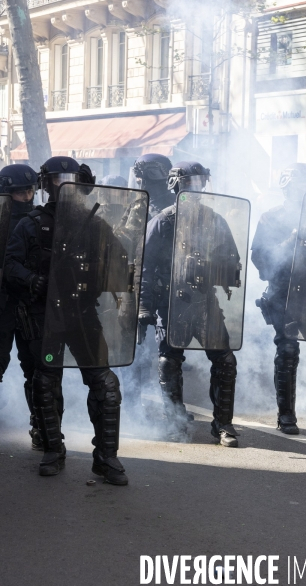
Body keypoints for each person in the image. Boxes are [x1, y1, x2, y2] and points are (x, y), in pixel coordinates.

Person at [5, 157, 129, 484]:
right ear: (46, 184)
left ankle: (106, 458)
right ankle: (52, 448)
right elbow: (11, 266)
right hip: (47, 319)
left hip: (84, 316)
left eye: (71, 178)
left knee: (106, 385)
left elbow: (118, 264)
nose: (65, 184)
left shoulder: (94, 223)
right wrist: (34, 281)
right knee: (45, 382)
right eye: (59, 179)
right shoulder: (31, 224)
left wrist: (114, 278)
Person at [139, 160, 240, 447]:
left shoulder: (215, 220)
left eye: (200, 184)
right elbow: (145, 267)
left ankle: (223, 424)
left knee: (225, 361)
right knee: (169, 362)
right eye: (189, 184)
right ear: (176, 186)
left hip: (206, 301)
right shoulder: (163, 222)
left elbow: (233, 264)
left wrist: (215, 269)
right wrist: (144, 306)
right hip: (172, 303)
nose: (196, 190)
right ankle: (175, 422)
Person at [252, 163, 306, 441]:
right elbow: (261, 260)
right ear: (288, 185)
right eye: (303, 184)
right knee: (289, 351)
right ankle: (286, 415)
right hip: (284, 296)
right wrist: (290, 241)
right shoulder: (272, 218)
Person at [121, 155, 174, 419]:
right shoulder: (136, 203)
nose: (139, 181)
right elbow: (124, 242)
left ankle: (173, 412)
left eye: (142, 176)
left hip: (166, 285)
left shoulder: (176, 206)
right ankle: (131, 409)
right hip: (137, 284)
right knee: (133, 350)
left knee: (169, 351)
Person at [0, 164, 41, 448]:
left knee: (37, 369)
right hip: (3, 303)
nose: (26, 198)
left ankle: (42, 427)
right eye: (19, 193)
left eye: (30, 191)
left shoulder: (41, 223)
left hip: (30, 303)